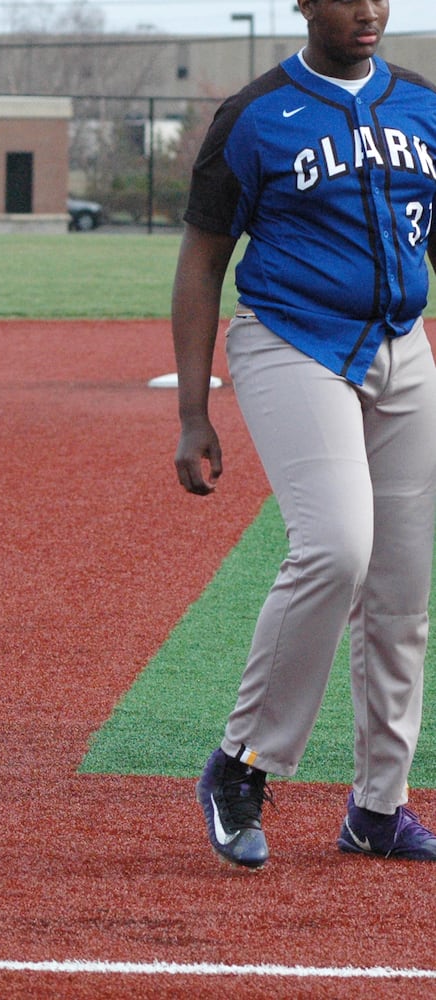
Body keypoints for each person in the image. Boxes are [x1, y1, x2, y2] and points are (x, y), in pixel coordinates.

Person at [173, 0, 436, 870]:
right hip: (291, 341)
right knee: (336, 547)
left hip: (403, 349)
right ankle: (242, 763)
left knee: (401, 588)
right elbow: (204, 258)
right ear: (302, 2)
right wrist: (192, 410)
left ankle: (378, 808)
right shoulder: (253, 117)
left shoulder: (422, 106)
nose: (367, 8)